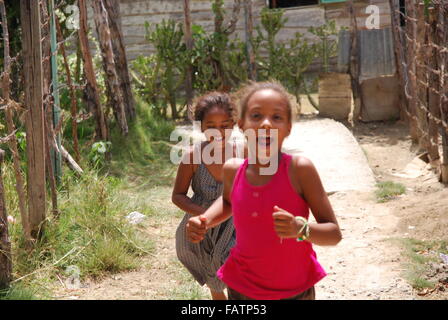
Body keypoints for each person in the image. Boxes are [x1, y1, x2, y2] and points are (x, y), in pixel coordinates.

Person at [186, 81, 342, 300]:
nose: (266, 124)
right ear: (241, 124)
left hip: (293, 290)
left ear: (288, 128)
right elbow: (229, 203)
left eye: (277, 117)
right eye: (256, 116)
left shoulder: (299, 170)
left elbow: (333, 234)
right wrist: (205, 219)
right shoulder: (233, 169)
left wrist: (301, 228)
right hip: (242, 288)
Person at [172, 91, 242, 300]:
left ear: (234, 125)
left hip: (235, 223)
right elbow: (178, 195)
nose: (218, 133)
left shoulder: (243, 153)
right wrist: (206, 215)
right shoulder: (193, 156)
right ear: (200, 126)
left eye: (225, 126)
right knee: (213, 276)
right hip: (203, 227)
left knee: (238, 273)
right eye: (211, 126)